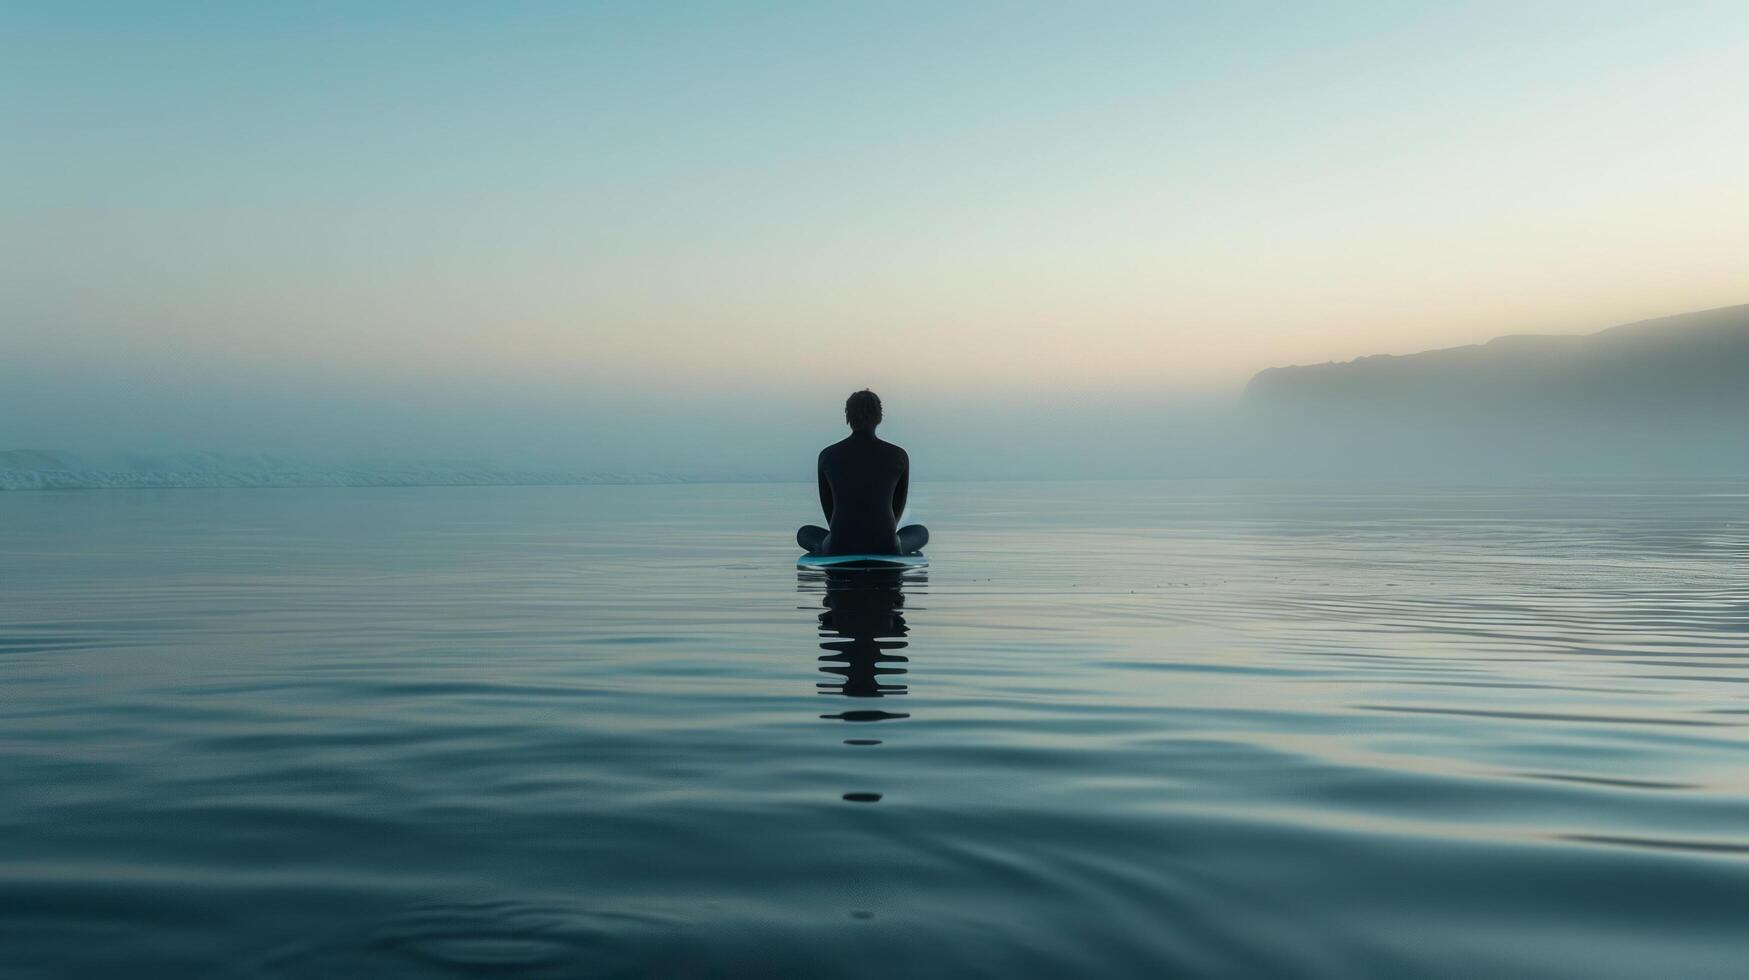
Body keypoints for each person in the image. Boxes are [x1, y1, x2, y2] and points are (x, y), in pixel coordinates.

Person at [797, 390, 929, 556]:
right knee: (920, 532)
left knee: (805, 533)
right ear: (879, 417)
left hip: (839, 546)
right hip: (886, 546)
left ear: (848, 417)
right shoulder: (898, 456)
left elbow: (828, 509)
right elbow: (897, 508)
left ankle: (836, 542)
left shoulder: (827, 456)